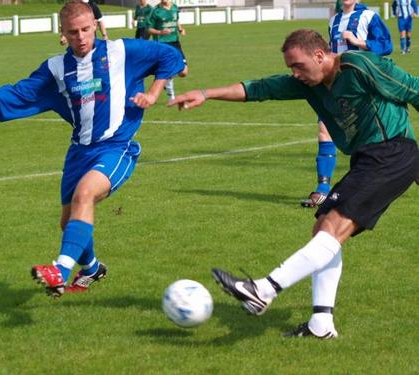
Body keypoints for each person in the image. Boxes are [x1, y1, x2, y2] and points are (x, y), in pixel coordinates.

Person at [170, 29, 418, 339]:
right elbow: (259, 88)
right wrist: (206, 93)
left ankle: (264, 288)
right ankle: (321, 325)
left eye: (298, 66)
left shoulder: (358, 65)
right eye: (291, 68)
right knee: (323, 229)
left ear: (319, 55)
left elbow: (414, 90)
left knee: (333, 227)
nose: (295, 74)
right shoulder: (310, 85)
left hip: (392, 151)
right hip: (369, 159)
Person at [0, 0, 185, 298]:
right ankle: (92, 268)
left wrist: (153, 92)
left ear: (96, 26)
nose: (81, 37)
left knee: (84, 195)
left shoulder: (122, 51)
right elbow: (24, 92)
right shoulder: (56, 68)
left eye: (86, 29)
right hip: (78, 153)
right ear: (62, 33)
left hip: (117, 146)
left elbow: (170, 56)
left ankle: (59, 270)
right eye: (73, 32)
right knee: (67, 221)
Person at [301, 0, 393, 208]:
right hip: (334, 83)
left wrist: (358, 41)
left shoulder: (368, 16)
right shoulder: (333, 20)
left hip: (360, 82)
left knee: (377, 135)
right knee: (324, 129)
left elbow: (386, 45)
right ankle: (323, 190)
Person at [147, 0, 188, 101]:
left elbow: (176, 20)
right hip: (162, 44)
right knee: (168, 68)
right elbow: (149, 29)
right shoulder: (155, 11)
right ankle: (171, 93)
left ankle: (168, 79)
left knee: (184, 72)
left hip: (175, 42)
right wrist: (160, 32)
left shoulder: (174, 7)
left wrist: (180, 29)